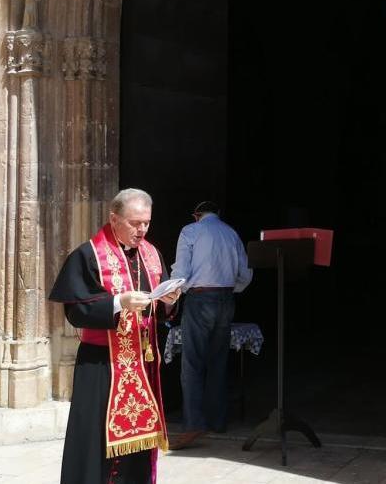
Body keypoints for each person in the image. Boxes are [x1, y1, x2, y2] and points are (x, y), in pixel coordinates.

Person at [48, 188, 181, 483]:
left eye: (146, 222)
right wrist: (119, 303)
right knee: (95, 445)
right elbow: (76, 312)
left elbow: (158, 306)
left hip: (142, 365)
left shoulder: (152, 254)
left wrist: (169, 301)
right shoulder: (88, 255)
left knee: (139, 450)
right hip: (102, 368)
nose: (142, 230)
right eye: (135, 223)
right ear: (113, 218)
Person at [166, 200, 253, 449]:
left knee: (192, 363)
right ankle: (217, 421)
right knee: (218, 361)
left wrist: (173, 296)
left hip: (200, 298)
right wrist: (229, 289)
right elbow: (245, 274)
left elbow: (181, 270)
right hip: (226, 299)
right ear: (218, 213)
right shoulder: (231, 232)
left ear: (196, 215)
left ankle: (193, 423)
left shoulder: (190, 231)